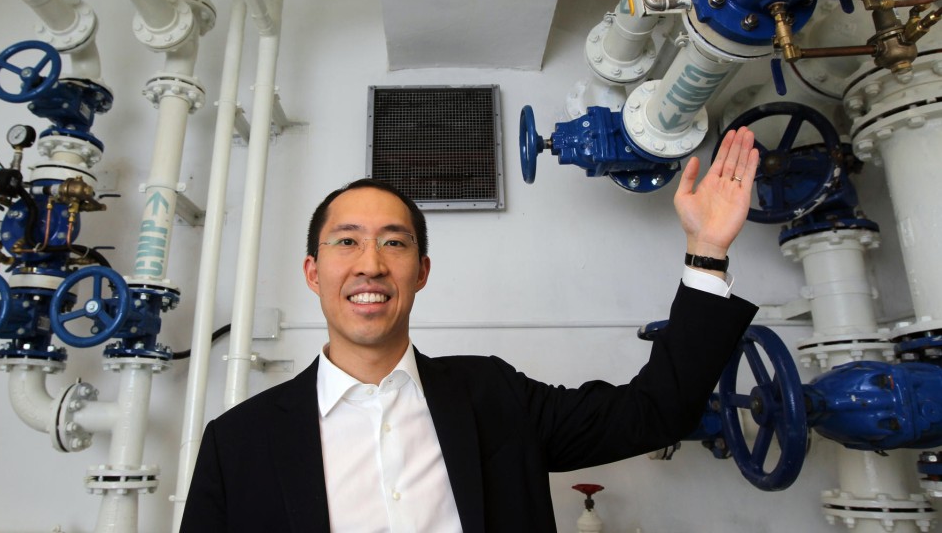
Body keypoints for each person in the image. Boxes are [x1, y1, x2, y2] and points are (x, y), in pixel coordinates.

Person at [180, 127, 761, 532]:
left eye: (394, 242)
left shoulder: (493, 395)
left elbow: (652, 414)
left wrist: (707, 251)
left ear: (421, 271)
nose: (370, 264)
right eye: (346, 241)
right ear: (313, 271)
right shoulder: (237, 444)